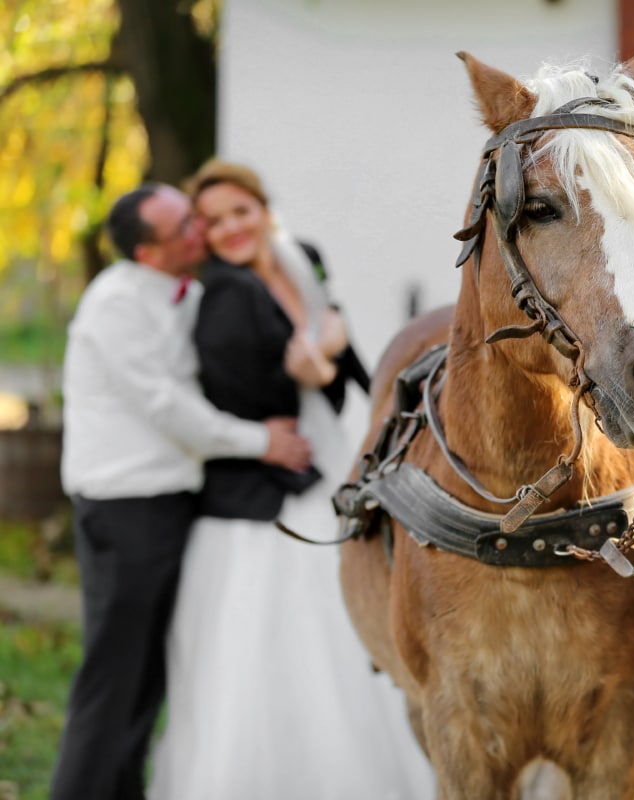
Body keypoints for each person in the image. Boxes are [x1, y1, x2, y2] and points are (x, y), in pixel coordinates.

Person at [147, 159, 435, 799]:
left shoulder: (300, 256)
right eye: (213, 221)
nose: (230, 230)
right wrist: (310, 362)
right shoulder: (220, 292)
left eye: (239, 212)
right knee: (277, 634)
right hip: (264, 491)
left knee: (347, 624)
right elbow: (236, 389)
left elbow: (341, 358)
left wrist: (352, 369)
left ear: (263, 207)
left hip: (326, 463)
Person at [51, 183, 313, 800]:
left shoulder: (188, 290)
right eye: (184, 230)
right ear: (148, 253)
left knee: (144, 678)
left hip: (165, 506)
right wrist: (262, 443)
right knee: (115, 677)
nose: (202, 232)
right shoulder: (114, 305)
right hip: (126, 509)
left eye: (193, 218)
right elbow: (168, 406)